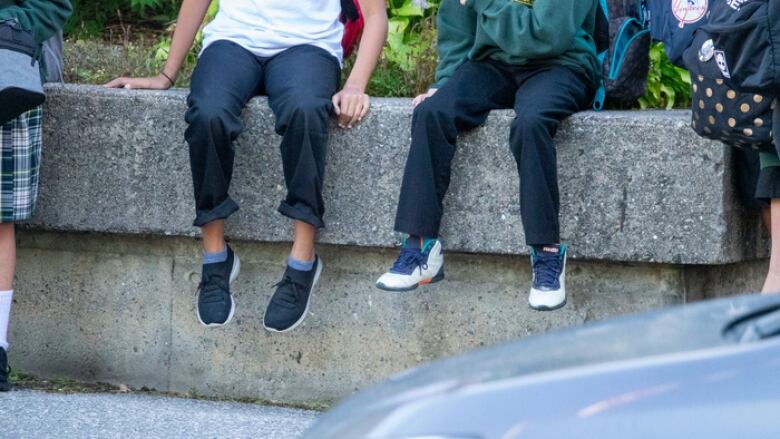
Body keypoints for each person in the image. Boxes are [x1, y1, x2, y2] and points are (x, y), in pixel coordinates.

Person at [107, 0, 387, 332]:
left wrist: (355, 86)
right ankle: (215, 257)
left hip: (309, 47)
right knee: (208, 113)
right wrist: (166, 75)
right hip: (232, 42)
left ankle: (303, 259)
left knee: (305, 111)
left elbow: (375, 14)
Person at [375, 0, 600, 312]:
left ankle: (546, 254)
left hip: (562, 64)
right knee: (431, 113)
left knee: (531, 123)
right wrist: (445, 83)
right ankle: (420, 247)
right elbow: (458, 29)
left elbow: (548, 34)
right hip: (493, 64)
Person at [0, 0, 72, 391]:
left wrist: (7, 24)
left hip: (6, 75)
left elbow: (53, 7)